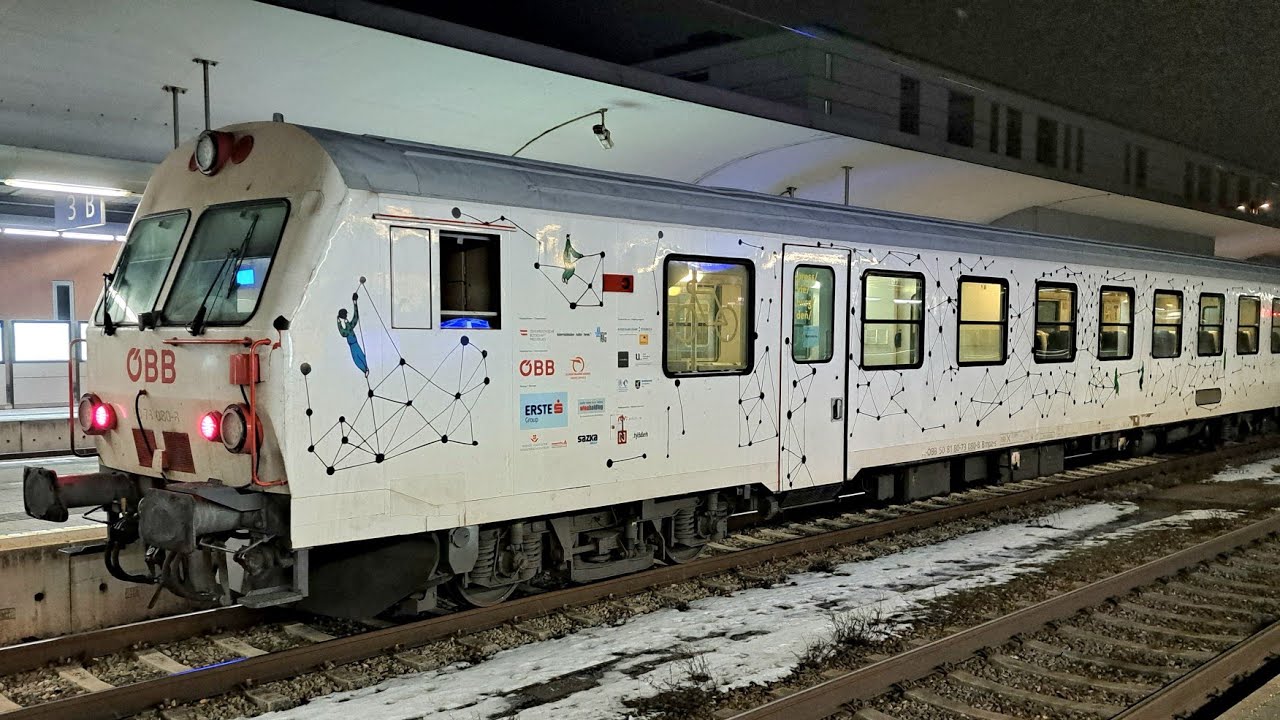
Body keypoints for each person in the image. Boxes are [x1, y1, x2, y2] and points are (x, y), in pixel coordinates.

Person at [337, 292, 369, 377]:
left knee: (361, 356)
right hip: (352, 345)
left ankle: (366, 369)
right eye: (346, 315)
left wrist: (355, 303)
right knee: (356, 359)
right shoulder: (346, 328)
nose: (347, 316)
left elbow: (356, 317)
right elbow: (343, 333)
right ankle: (364, 369)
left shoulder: (349, 325)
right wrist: (339, 323)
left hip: (355, 343)